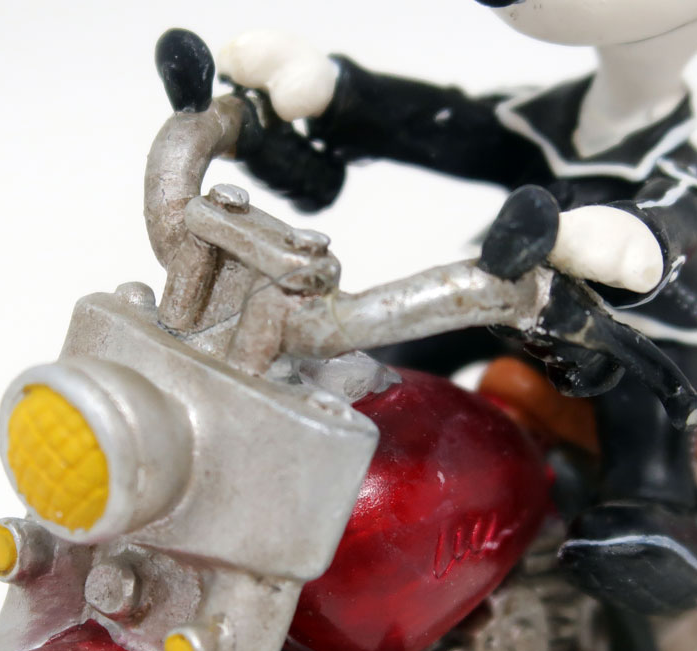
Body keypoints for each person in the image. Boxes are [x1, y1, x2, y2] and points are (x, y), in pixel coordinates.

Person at [218, 1, 697, 616]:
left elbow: (680, 210)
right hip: (512, 292)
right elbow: (456, 127)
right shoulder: (554, 115)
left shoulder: (682, 153)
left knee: (644, 447)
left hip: (637, 334)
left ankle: (658, 531)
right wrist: (339, 94)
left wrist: (639, 237)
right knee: (371, 366)